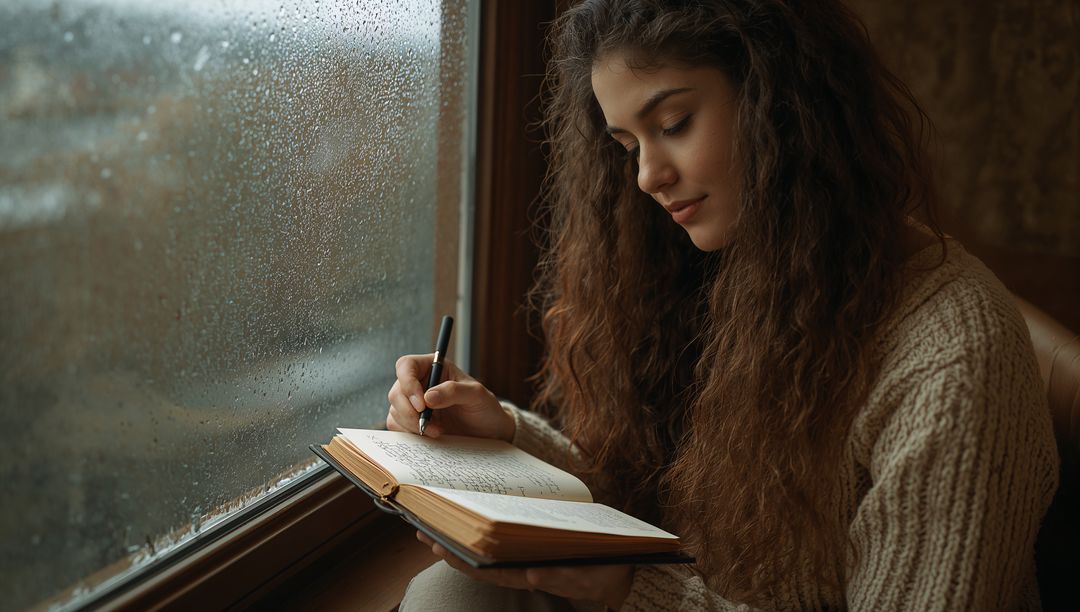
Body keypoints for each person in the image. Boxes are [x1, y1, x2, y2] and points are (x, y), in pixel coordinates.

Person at [386, 0, 1059, 609]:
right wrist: (503, 436)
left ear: (785, 101)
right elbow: (653, 503)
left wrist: (628, 588)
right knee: (454, 589)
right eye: (628, 146)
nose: (647, 176)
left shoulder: (954, 359)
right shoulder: (730, 267)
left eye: (673, 124)